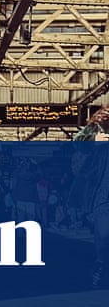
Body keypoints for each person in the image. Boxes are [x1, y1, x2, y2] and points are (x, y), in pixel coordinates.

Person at [70, 105, 109, 287]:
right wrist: (92, 124)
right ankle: (100, 266)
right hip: (103, 193)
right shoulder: (100, 134)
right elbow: (79, 143)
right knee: (103, 233)